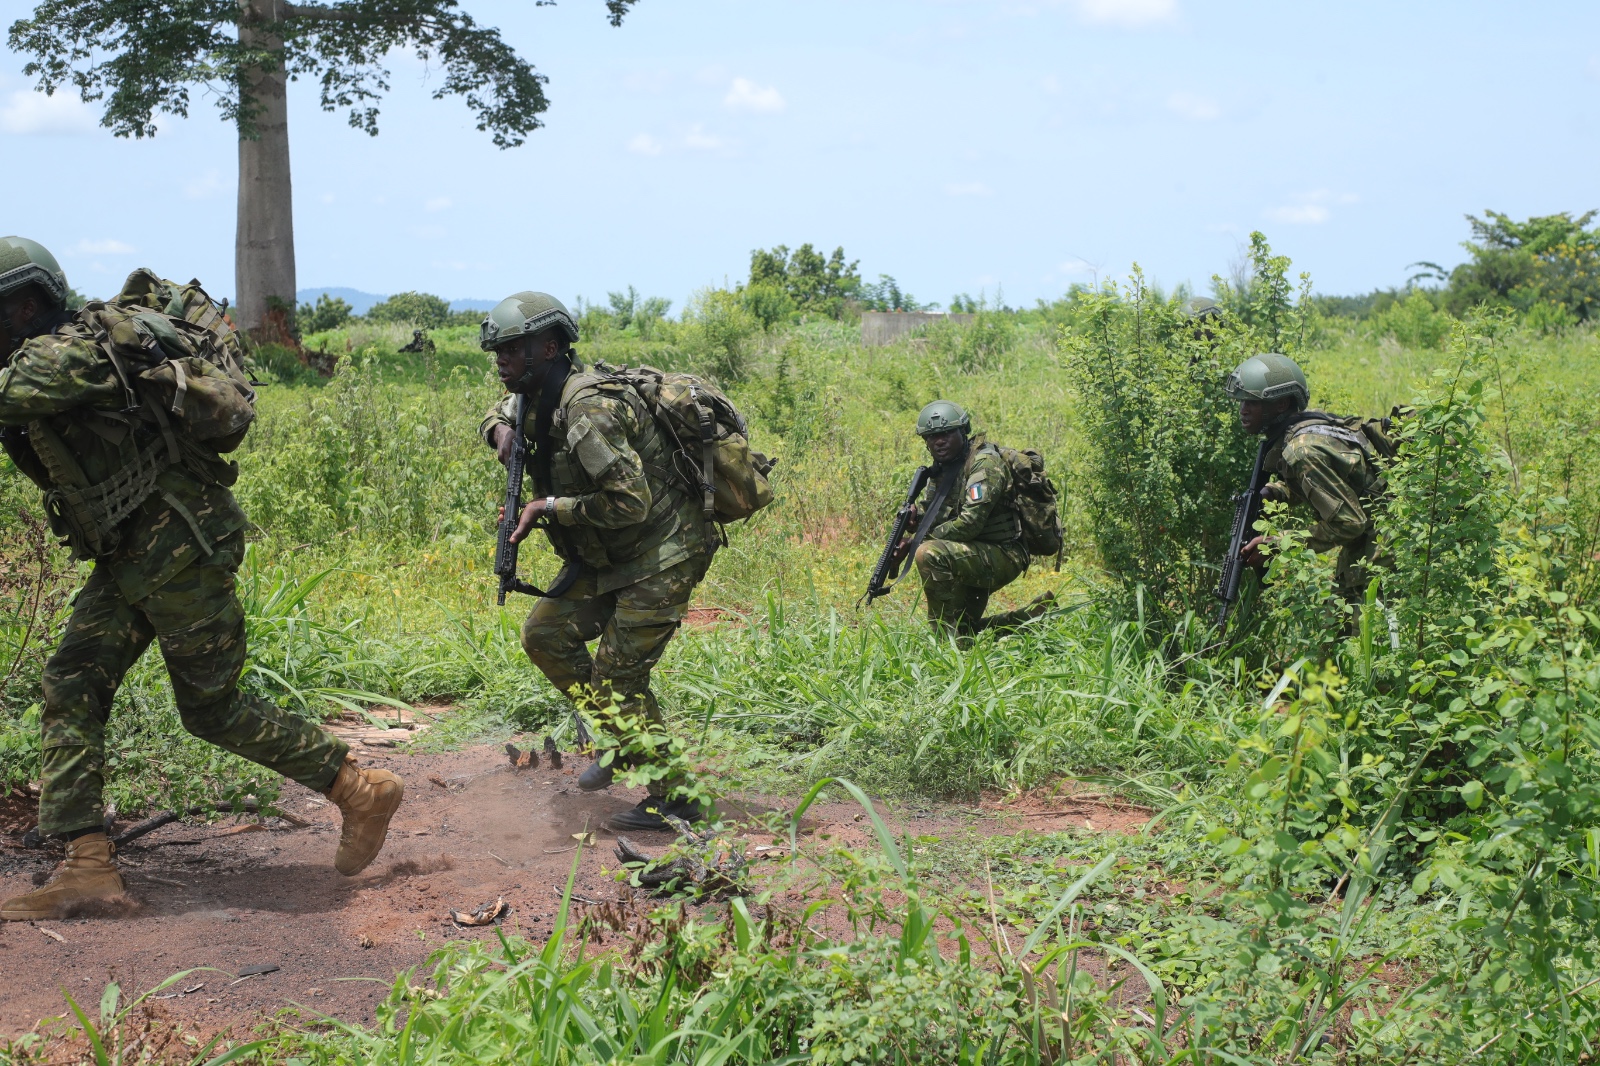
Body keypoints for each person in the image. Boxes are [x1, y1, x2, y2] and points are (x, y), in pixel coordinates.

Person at [0, 238, 403, 921]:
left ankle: (360, 790)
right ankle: (89, 866)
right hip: (135, 549)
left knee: (211, 708)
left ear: (27, 304)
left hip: (180, 545)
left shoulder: (61, 355)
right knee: (73, 679)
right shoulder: (52, 350)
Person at [479, 291, 715, 833]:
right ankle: (626, 740)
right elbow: (497, 412)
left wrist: (548, 507)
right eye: (499, 351)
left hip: (662, 554)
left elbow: (631, 504)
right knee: (544, 635)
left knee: (615, 681)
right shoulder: (534, 394)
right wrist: (499, 431)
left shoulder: (587, 410)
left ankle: (678, 796)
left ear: (550, 346)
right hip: (610, 557)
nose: (502, 362)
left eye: (512, 349)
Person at [1224, 352, 1385, 603]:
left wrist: (1278, 545)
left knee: (1367, 634)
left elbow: (1350, 523)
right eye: (1241, 402)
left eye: (1252, 403)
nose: (1243, 411)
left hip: (1386, 543)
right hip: (1371, 535)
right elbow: (1326, 482)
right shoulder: (1306, 427)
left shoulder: (1302, 450)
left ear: (1280, 404)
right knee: (1340, 631)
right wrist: (1274, 493)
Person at [896, 401, 1052, 637]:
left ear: (963, 431)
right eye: (932, 436)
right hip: (971, 552)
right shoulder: (944, 468)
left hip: (1004, 553)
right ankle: (1035, 616)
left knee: (928, 553)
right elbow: (937, 519)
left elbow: (970, 523)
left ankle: (943, 642)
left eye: (947, 433)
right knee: (965, 631)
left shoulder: (984, 464)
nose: (939, 441)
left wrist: (916, 542)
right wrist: (916, 523)